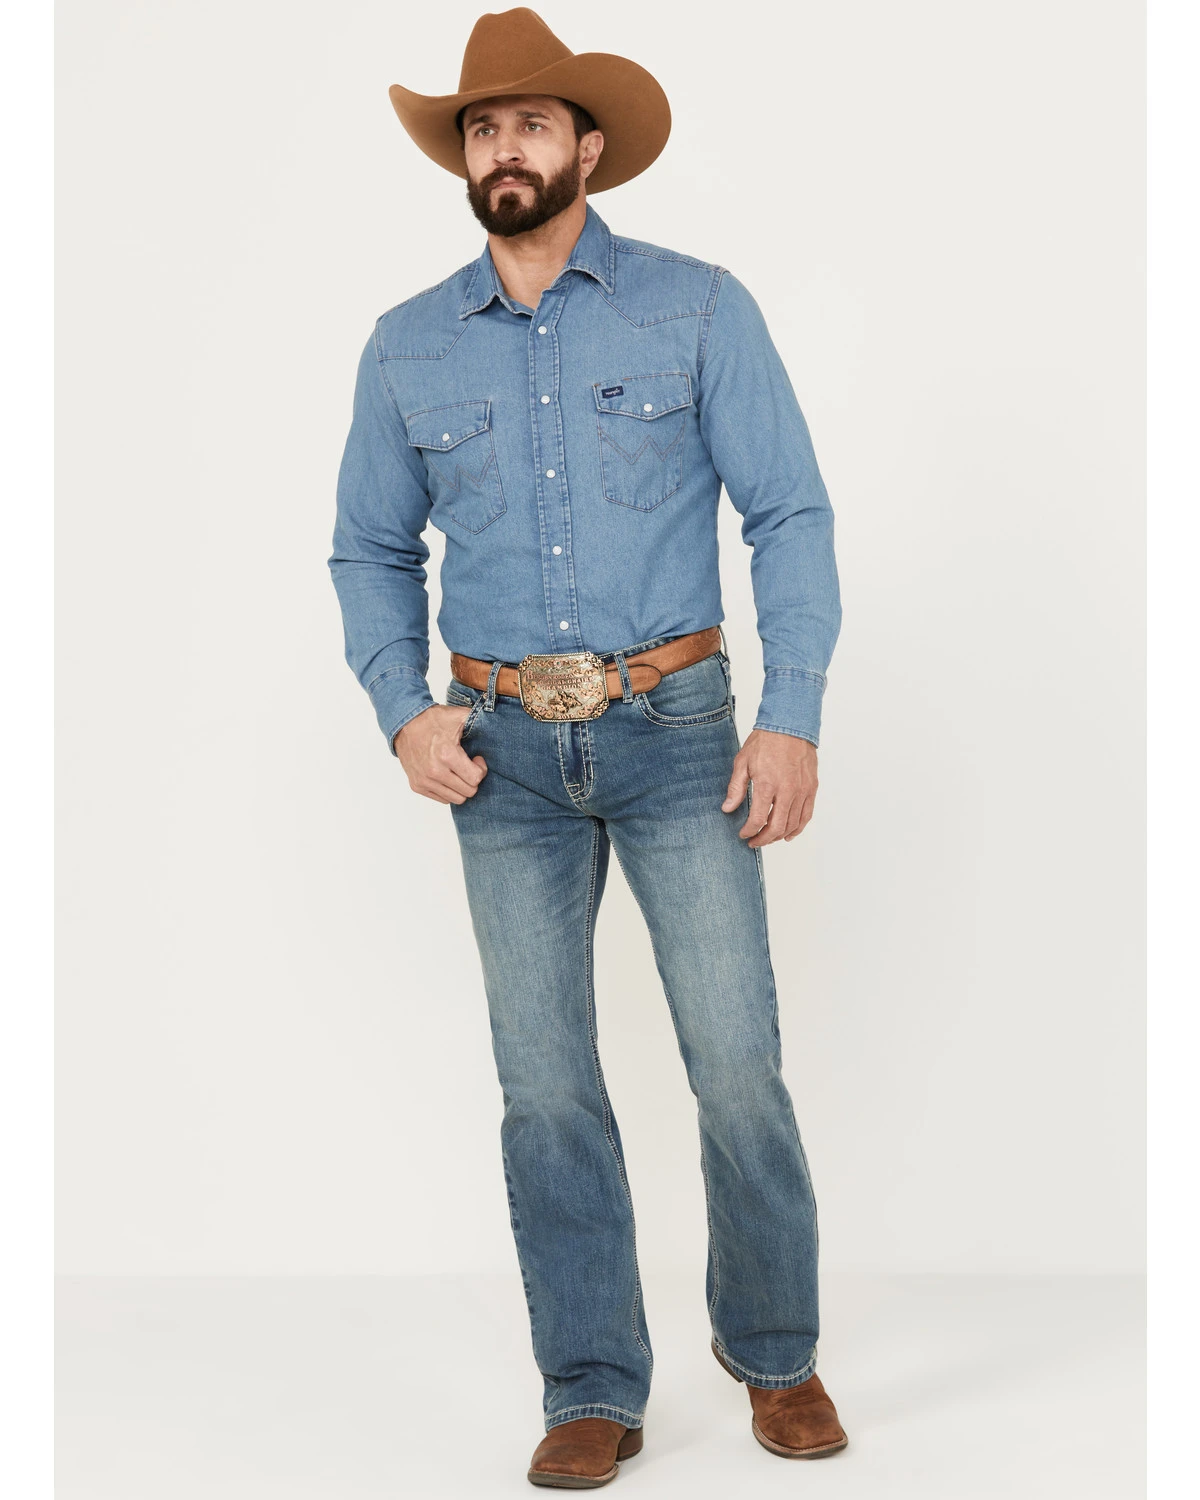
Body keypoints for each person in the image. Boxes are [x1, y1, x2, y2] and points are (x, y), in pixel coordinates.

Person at [328, 7, 847, 1488]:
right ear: (465, 158)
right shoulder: (407, 344)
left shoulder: (697, 308)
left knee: (735, 1064)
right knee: (546, 1087)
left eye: (533, 125)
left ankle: (777, 1357)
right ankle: (593, 1384)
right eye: (483, 129)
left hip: (681, 735)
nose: (506, 148)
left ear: (588, 147)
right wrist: (403, 709)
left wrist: (792, 713)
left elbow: (790, 513)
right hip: (498, 756)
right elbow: (369, 550)